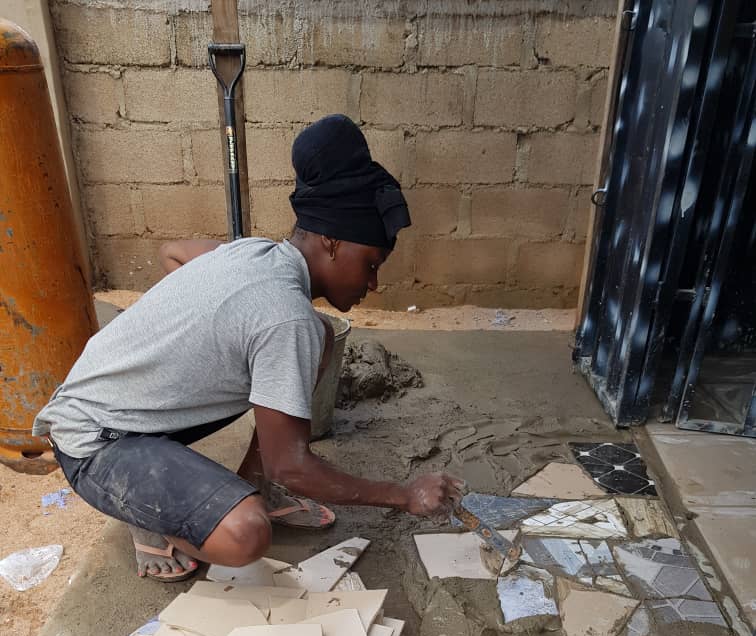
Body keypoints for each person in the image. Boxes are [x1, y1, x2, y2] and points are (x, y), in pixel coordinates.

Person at [33, 114, 463, 583]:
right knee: (246, 534)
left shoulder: (255, 253)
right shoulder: (284, 316)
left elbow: (173, 252)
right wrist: (404, 494)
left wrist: (192, 341)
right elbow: (292, 464)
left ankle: (249, 486)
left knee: (318, 336)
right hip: (96, 442)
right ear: (333, 242)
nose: (373, 284)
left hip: (126, 411)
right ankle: (151, 519)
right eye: (371, 264)